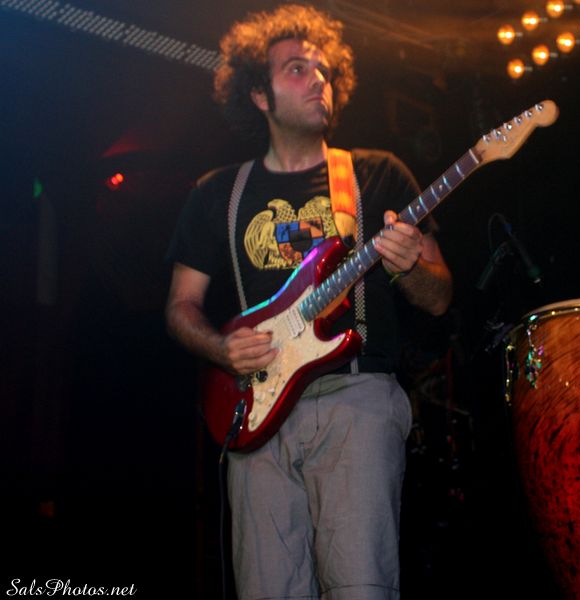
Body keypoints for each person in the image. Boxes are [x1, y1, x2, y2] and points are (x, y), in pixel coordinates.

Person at [164, 4, 452, 599]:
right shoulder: (217, 192)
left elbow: (440, 296)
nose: (318, 80)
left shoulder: (376, 175)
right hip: (255, 411)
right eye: (296, 69)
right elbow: (180, 307)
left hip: (356, 398)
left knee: (359, 587)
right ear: (259, 95)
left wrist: (407, 268)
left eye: (324, 71)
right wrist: (221, 349)